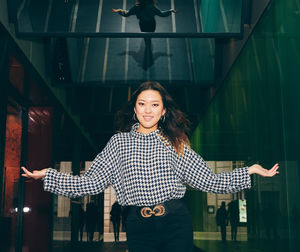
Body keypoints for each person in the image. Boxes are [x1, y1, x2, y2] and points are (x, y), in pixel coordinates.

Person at [22, 81, 279, 252]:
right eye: (142, 104)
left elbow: (208, 180)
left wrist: (249, 171)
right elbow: (91, 182)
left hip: (176, 221)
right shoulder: (119, 143)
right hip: (138, 224)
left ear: (163, 111)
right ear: (134, 109)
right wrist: (50, 176)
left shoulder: (175, 143)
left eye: (154, 105)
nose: (148, 110)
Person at [112, 0, 176, 33]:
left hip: (143, 24)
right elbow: (162, 14)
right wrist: (170, 11)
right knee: (150, 34)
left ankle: (147, 42)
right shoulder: (152, 7)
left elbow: (127, 14)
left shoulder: (137, 7)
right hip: (151, 23)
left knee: (145, 34)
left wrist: (119, 11)